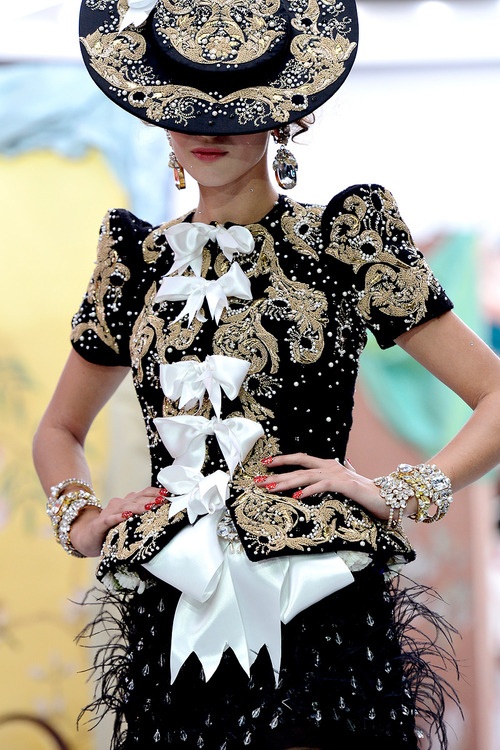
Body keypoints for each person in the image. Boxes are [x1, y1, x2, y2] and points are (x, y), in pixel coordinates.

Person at [33, 1, 500, 749]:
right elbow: (59, 428)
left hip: (319, 603)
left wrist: (396, 491)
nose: (207, 127)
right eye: (184, 105)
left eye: (234, 107)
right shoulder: (134, 261)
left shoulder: (345, 241)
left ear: (284, 112)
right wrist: (81, 519)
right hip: (172, 608)